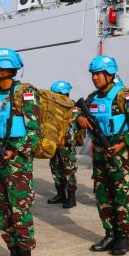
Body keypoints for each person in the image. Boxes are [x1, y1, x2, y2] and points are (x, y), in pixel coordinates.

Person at [77, 56, 129, 256]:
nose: (95, 78)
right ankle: (109, 233)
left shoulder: (124, 96)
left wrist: (123, 144)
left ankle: (123, 237)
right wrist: (79, 118)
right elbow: (74, 111)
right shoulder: (92, 98)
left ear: (110, 74)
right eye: (93, 74)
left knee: (121, 195)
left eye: (99, 74)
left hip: (119, 156)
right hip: (99, 156)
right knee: (102, 195)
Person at [0, 48, 40, 256]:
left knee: (19, 210)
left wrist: (13, 151)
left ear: (4, 68)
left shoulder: (24, 93)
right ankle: (13, 253)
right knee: (3, 210)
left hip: (17, 165)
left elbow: (35, 131)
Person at [47, 80, 79, 209]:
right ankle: (60, 194)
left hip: (66, 144)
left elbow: (74, 126)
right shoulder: (53, 109)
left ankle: (71, 197)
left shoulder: (74, 108)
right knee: (55, 169)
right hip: (54, 143)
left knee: (68, 170)